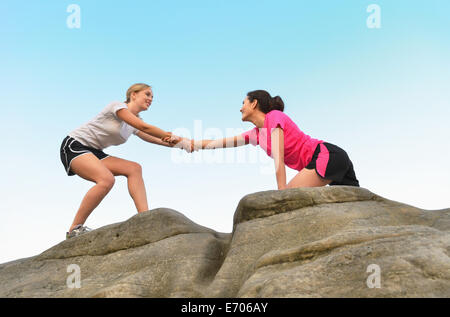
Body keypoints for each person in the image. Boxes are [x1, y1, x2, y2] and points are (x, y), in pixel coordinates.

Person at [60, 83, 191, 239]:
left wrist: (182, 144)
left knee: (134, 168)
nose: (150, 99)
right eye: (147, 94)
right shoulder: (117, 107)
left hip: (95, 152)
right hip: (74, 145)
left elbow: (158, 139)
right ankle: (74, 229)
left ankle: (145, 218)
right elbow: (146, 127)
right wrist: (167, 134)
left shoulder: (134, 124)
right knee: (106, 179)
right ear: (133, 94)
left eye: (152, 97)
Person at [193, 90, 359, 190]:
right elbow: (218, 143)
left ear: (254, 103)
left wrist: (281, 191)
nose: (240, 108)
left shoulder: (274, 117)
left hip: (327, 155)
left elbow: (278, 156)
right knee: (359, 205)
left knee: (290, 198)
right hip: (324, 160)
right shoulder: (256, 134)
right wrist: (186, 143)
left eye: (243, 103)